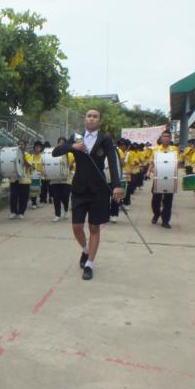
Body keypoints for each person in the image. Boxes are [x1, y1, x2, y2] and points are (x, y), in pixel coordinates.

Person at [52, 109, 123, 280]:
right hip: (79, 188)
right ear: (85, 119)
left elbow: (113, 162)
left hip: (99, 190)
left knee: (94, 228)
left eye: (95, 116)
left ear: (100, 121)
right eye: (89, 116)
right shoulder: (76, 137)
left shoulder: (105, 139)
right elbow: (56, 152)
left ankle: (89, 264)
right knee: (77, 227)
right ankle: (85, 250)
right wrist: (72, 146)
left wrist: (116, 185)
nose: (91, 118)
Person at [148, 131, 179, 229]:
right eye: (164, 136)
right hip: (158, 178)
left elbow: (177, 162)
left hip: (170, 178)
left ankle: (165, 221)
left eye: (168, 136)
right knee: (155, 201)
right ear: (161, 138)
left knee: (168, 201)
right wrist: (149, 171)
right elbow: (152, 162)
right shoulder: (155, 149)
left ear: (170, 138)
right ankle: (156, 214)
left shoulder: (174, 149)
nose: (166, 138)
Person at [49, 137, 74, 222]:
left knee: (65, 196)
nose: (61, 144)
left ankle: (66, 210)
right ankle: (57, 215)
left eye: (63, 142)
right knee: (56, 198)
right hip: (54, 179)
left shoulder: (70, 154)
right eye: (59, 142)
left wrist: (68, 159)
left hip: (66, 179)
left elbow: (71, 167)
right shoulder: (53, 153)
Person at [9, 140, 32, 219]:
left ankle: (21, 212)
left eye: (22, 144)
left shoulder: (28, 155)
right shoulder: (13, 154)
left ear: (25, 146)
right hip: (14, 178)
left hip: (24, 179)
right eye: (19, 144)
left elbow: (29, 165)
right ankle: (13, 212)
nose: (20, 146)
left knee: (23, 197)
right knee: (13, 196)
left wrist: (22, 157)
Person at [29, 141, 45, 209]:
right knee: (33, 190)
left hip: (41, 176)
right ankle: (34, 203)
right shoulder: (31, 156)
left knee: (41, 190)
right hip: (33, 175)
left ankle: (40, 202)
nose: (37, 149)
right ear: (34, 148)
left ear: (41, 148)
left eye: (39, 147)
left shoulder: (43, 156)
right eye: (36, 147)